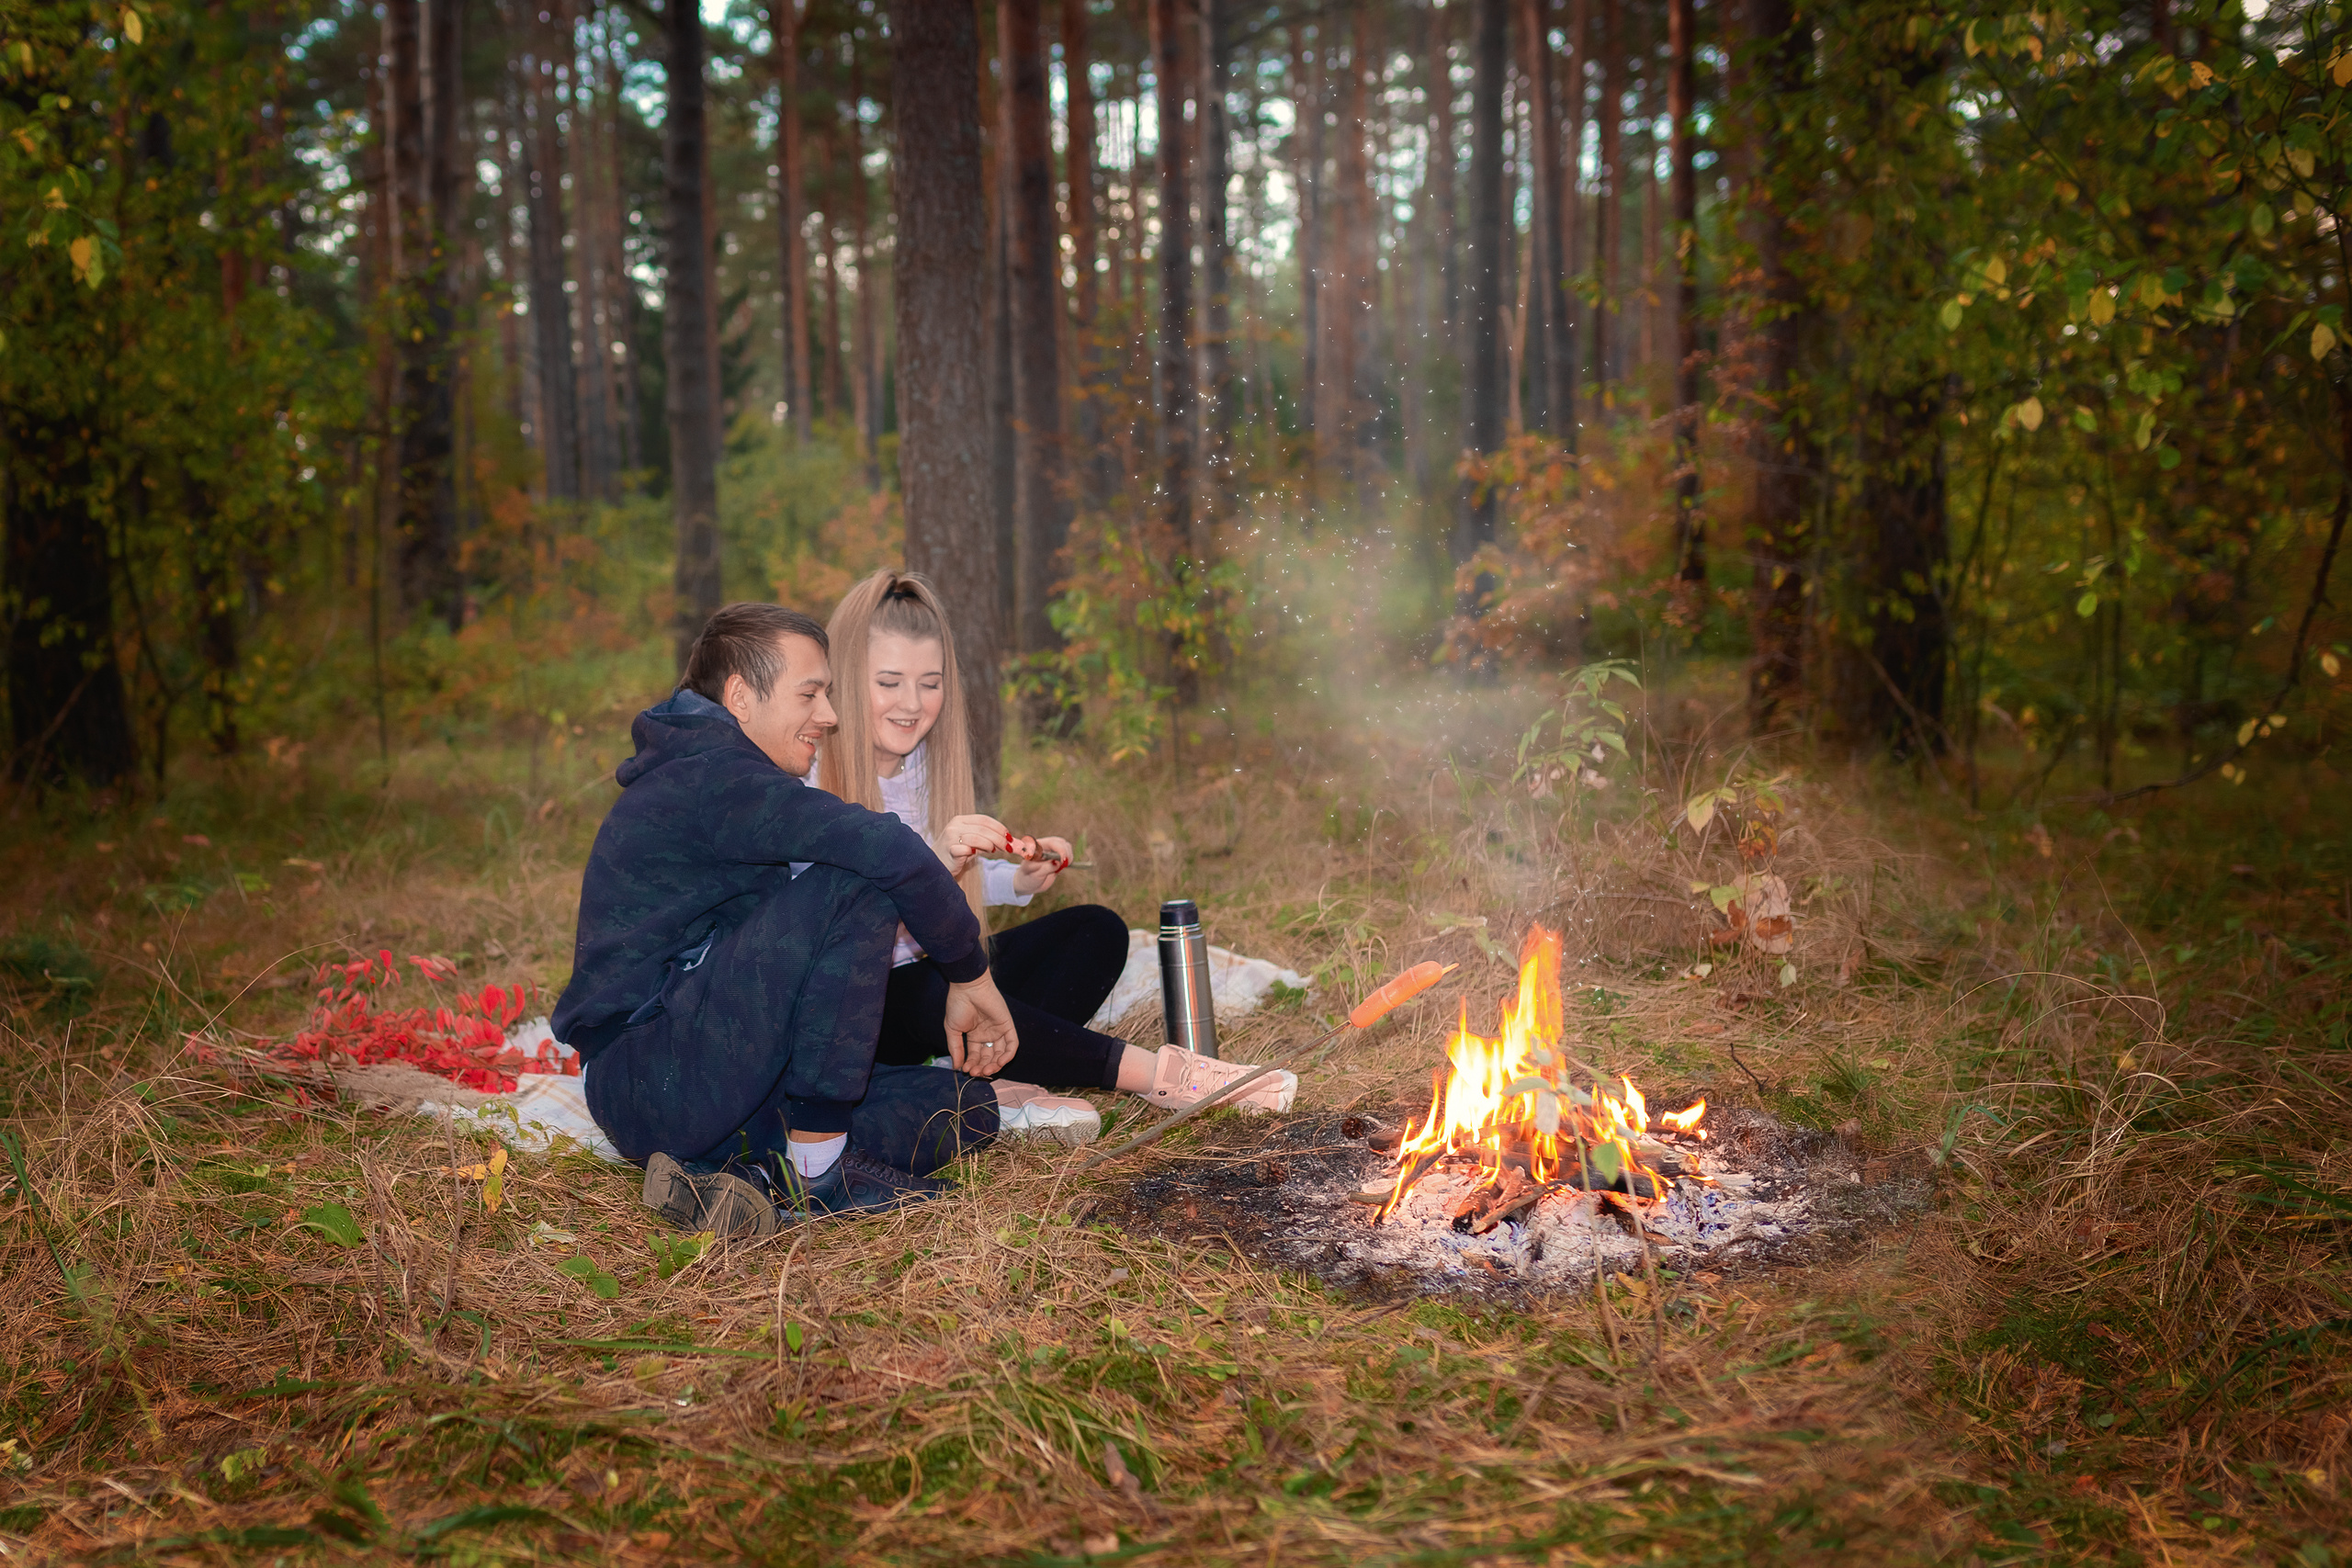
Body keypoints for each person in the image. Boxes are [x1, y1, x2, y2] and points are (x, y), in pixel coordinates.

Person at [550, 603, 1034, 1236]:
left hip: (703, 1068)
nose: (830, 716)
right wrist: (971, 978)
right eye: (811, 694)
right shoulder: (713, 777)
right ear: (741, 696)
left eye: (829, 694)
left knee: (961, 1109)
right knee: (860, 877)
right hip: (649, 1075)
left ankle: (751, 1175)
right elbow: (887, 850)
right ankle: (816, 1177)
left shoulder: (721, 773)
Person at [814, 570, 1295, 1138]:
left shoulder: (923, 769)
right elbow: (834, 930)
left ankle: (968, 1072)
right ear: (845, 679)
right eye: (889, 682)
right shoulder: (814, 776)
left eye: (931, 682)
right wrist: (934, 862)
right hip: (862, 1007)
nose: (913, 704)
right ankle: (1165, 1076)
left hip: (942, 978)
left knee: (1096, 930)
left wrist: (1017, 881)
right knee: (932, 987)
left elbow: (954, 882)